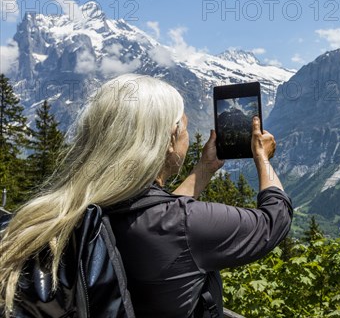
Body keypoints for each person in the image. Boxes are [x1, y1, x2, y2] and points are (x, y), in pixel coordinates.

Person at [0, 73, 293, 318]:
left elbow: (159, 219)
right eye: (185, 128)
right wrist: (262, 159)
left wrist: (203, 170)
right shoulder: (181, 223)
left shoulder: (78, 210)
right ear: (168, 139)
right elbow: (274, 219)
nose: (188, 137)